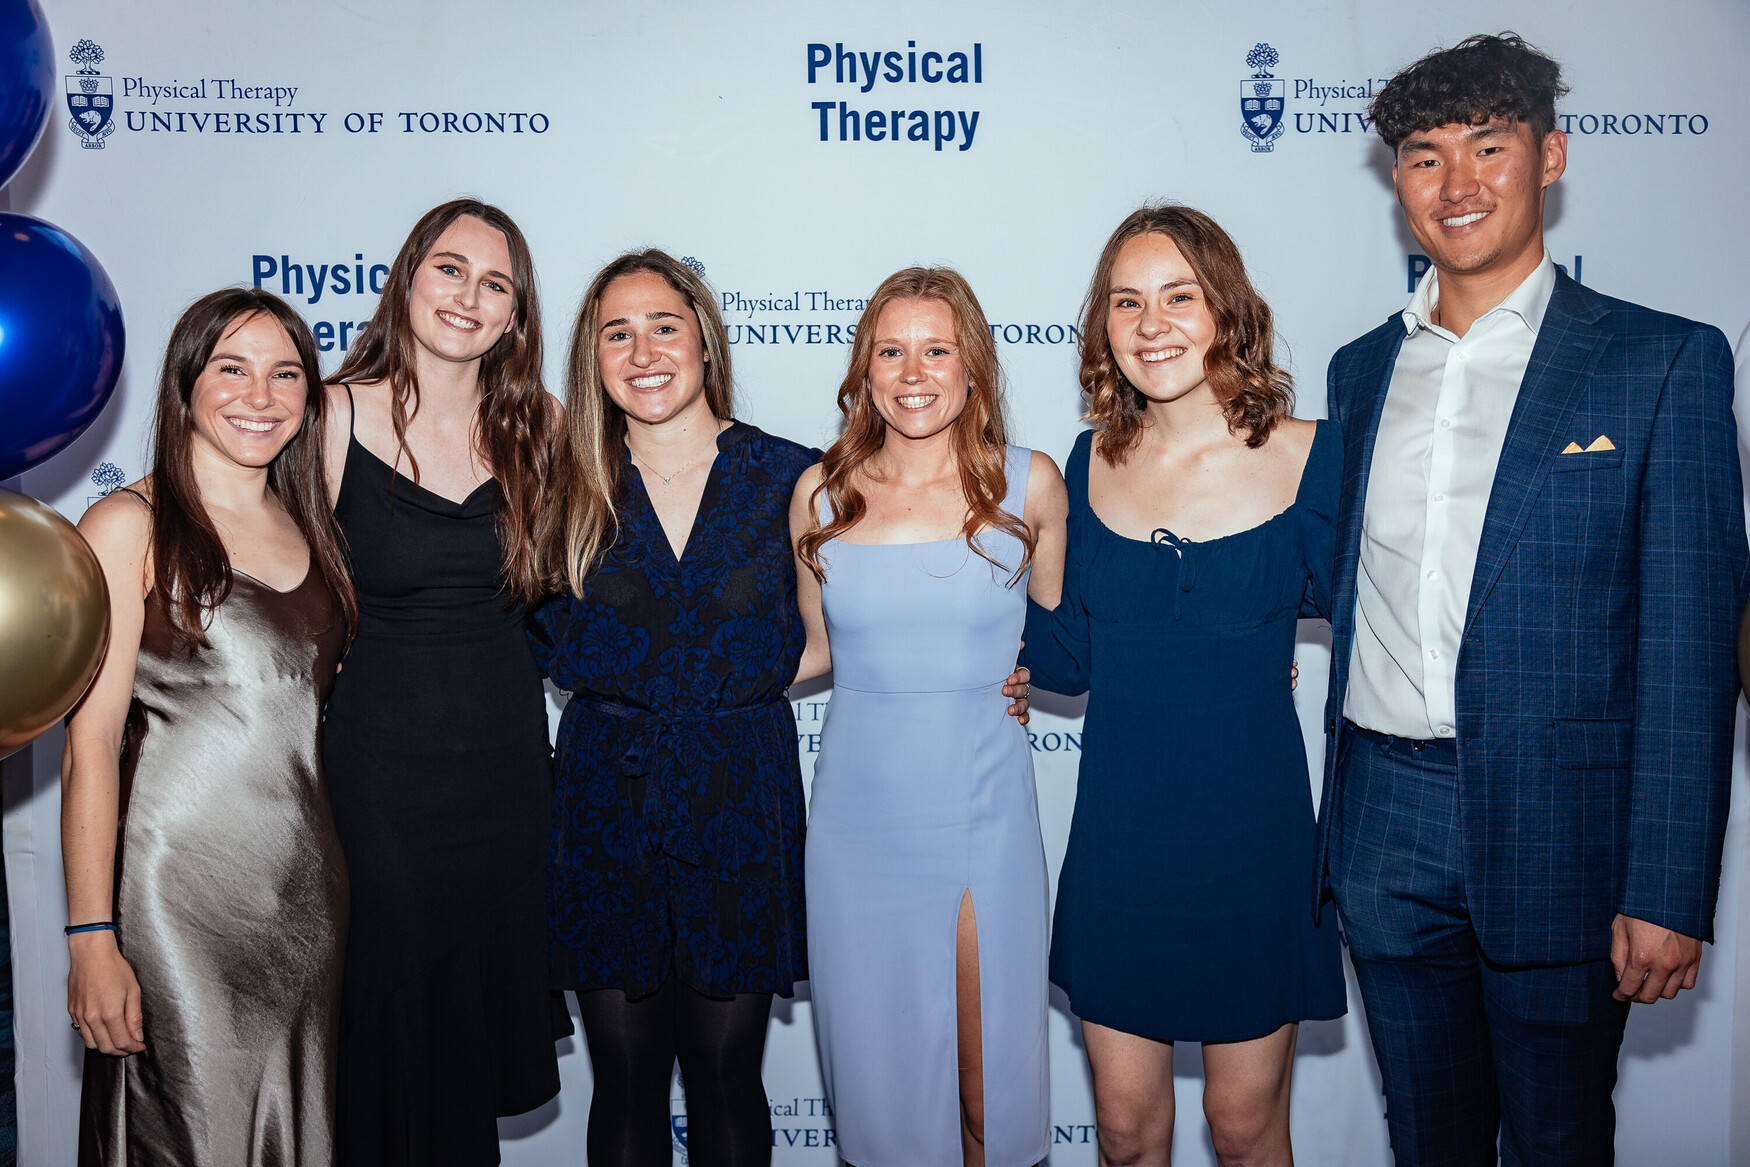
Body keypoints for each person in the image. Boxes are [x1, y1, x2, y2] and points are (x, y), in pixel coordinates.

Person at [1319, 33, 1749, 1166]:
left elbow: (1689, 646)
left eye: (1488, 146)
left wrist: (1667, 886)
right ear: (1395, 179)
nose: (1456, 185)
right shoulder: (1360, 370)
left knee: (1560, 1141)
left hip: (1567, 836)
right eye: (1422, 157)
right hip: (1385, 826)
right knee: (1428, 1140)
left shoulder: (1663, 363)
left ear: (1548, 156)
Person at [1021, 206, 1344, 1167]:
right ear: (1103, 326)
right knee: (1124, 1133)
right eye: (1127, 302)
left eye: (1178, 296)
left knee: (1243, 1129)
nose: (1151, 322)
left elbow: (1380, 631)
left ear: (1225, 311)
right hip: (1124, 837)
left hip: (1256, 839)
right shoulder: (1084, 465)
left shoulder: (1312, 454)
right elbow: (1069, 656)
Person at [530, 249, 815, 1166]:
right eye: (618, 331)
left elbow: (839, 631)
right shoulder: (559, 482)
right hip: (605, 801)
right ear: (594, 354)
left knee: (729, 1073)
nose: (644, 350)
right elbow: (518, 633)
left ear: (703, 339)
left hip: (741, 793)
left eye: (664, 326)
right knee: (623, 1073)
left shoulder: (788, 476)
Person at [63, 288, 356, 1166]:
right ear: (187, 383)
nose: (258, 396)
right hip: (174, 900)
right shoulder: (128, 524)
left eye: (284, 375)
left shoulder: (316, 528)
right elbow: (89, 748)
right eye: (231, 369)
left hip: (304, 898)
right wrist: (90, 937)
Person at [793, 266, 1068, 1167]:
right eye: (892, 350)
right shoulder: (821, 494)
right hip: (856, 829)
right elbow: (812, 653)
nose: (914, 372)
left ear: (973, 365)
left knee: (991, 1096)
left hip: (982, 818)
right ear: (865, 369)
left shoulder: (1030, 486)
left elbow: (1068, 647)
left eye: (937, 349)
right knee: (882, 1109)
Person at [320, 199, 563, 1166]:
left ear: (515, 313)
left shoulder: (541, 425)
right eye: (449, 270)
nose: (468, 296)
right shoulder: (332, 410)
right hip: (378, 773)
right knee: (384, 1029)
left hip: (507, 774)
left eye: (494, 282)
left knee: (464, 1035)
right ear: (409, 277)